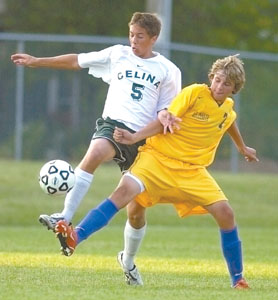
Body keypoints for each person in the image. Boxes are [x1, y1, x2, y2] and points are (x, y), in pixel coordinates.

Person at [53, 54, 259, 289]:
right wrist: (135, 137)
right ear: (211, 77)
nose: (220, 86)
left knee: (226, 213)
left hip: (192, 171)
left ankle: (238, 279)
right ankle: (75, 237)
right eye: (218, 80)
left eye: (227, 84)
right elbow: (165, 119)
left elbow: (228, 119)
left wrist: (242, 147)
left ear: (235, 88)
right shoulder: (194, 93)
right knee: (126, 199)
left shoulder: (228, 107)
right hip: (157, 160)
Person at [11, 12, 181, 231]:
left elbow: (165, 111)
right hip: (113, 126)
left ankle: (128, 261)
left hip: (142, 140)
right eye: (131, 35)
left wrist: (165, 115)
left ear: (154, 38)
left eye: (139, 36)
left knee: (136, 212)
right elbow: (77, 61)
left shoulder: (169, 70)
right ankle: (63, 217)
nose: (133, 41)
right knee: (96, 153)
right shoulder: (117, 54)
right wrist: (37, 61)